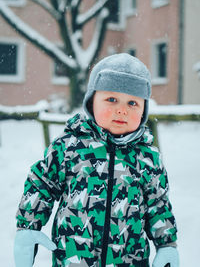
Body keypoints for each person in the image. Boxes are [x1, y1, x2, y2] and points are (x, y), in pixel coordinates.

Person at [14, 53, 179, 267]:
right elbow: (41, 184)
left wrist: (167, 244)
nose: (122, 109)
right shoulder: (69, 147)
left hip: (129, 261)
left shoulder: (147, 158)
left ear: (144, 110)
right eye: (112, 99)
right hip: (74, 260)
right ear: (92, 102)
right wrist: (27, 226)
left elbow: (158, 204)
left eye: (132, 102)